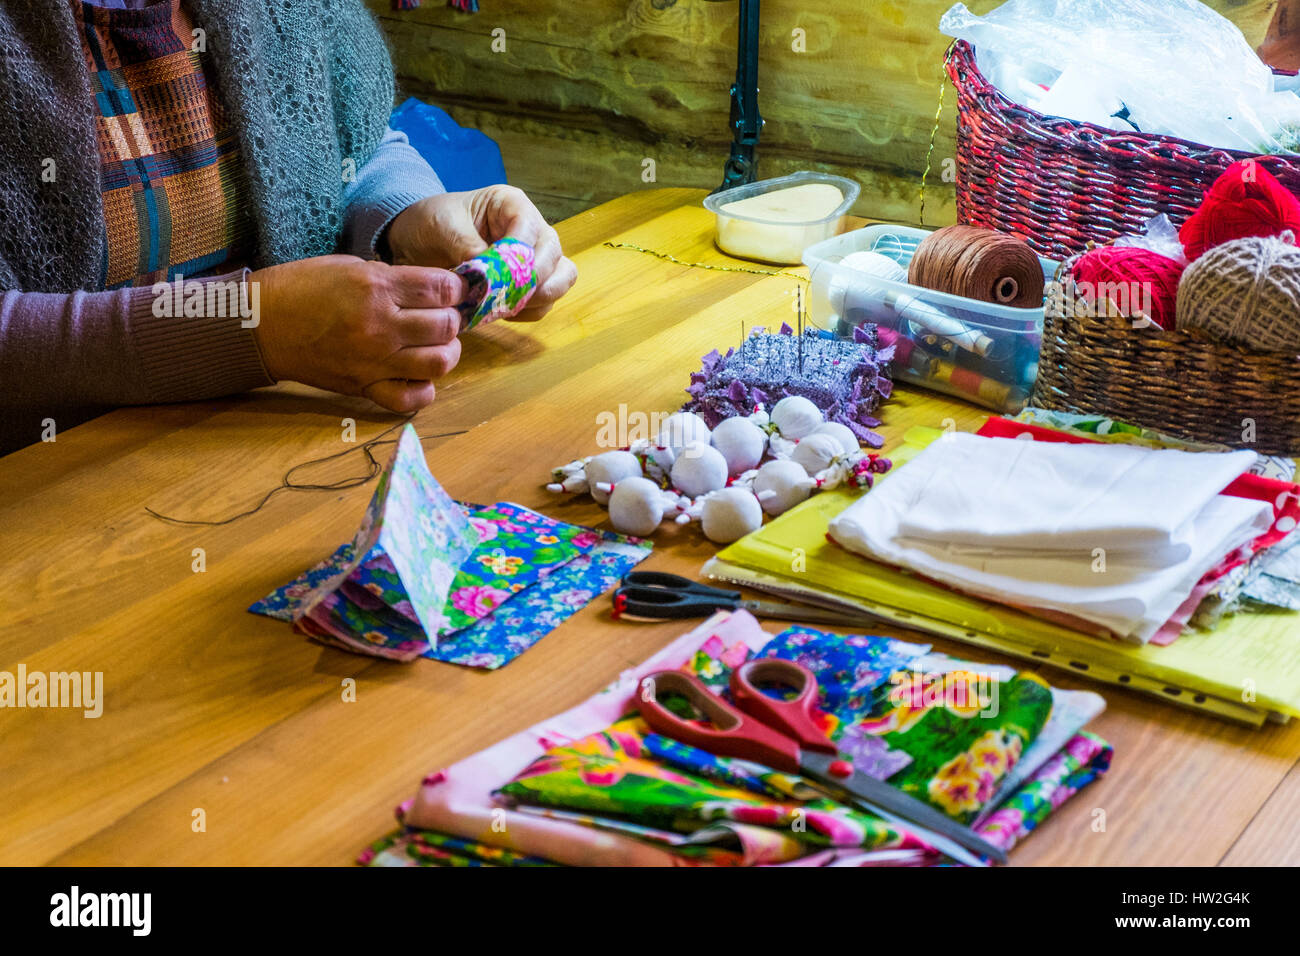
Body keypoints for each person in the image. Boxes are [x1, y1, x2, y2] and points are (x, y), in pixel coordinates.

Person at [0, 0, 577, 455]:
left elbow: (352, 144)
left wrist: (407, 214)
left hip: (264, 442)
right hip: (44, 498)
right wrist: (253, 329)